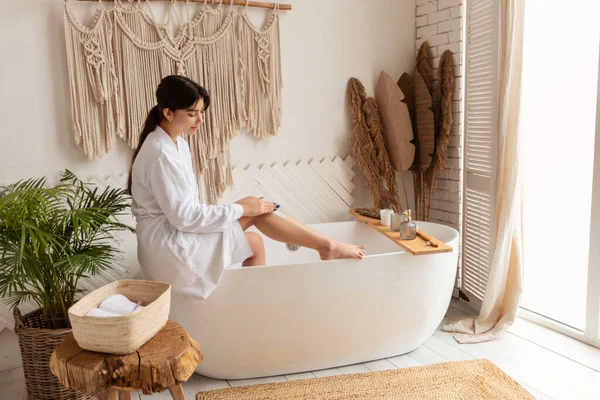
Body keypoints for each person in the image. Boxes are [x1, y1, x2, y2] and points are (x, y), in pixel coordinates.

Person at [129, 75, 364, 298]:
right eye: (192, 114)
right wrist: (241, 209)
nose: (200, 120)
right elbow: (185, 217)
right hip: (170, 250)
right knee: (258, 214)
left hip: (172, 240)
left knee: (255, 243)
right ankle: (327, 246)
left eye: (201, 112)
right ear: (168, 113)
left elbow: (184, 214)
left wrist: (242, 207)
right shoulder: (160, 153)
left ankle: (251, 307)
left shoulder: (175, 143)